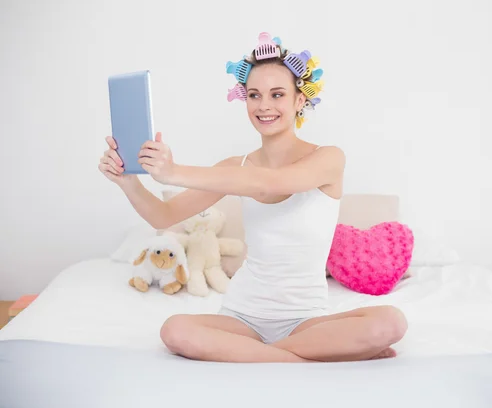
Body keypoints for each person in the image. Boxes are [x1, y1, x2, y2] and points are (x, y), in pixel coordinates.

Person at [98, 33, 407, 363]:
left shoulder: (328, 158)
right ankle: (302, 360)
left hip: (305, 322)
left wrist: (173, 171)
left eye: (277, 94)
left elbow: (268, 184)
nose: (264, 106)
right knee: (174, 329)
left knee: (390, 322)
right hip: (241, 318)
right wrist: (127, 181)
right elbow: (163, 216)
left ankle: (259, 356)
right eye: (254, 95)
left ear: (299, 100)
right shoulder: (234, 168)